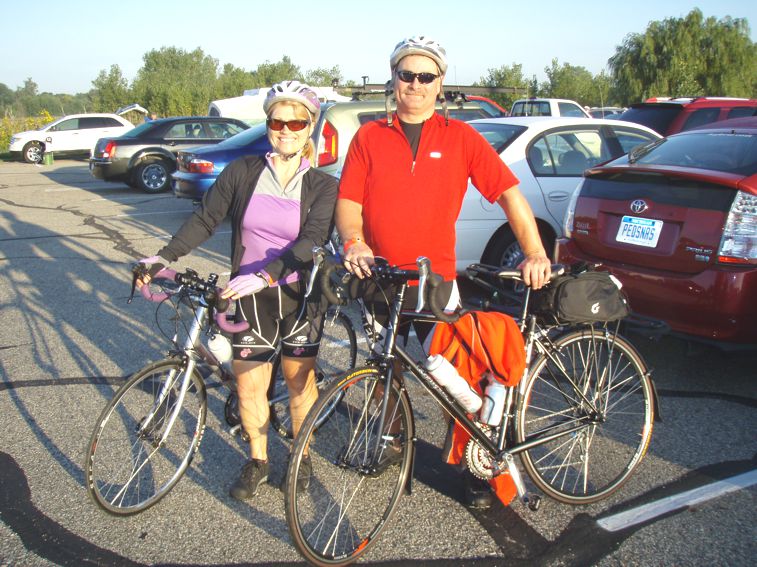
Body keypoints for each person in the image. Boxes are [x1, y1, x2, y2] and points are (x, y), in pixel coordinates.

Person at [335, 36, 551, 509]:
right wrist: (354, 239)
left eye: (425, 76)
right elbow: (348, 200)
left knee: (456, 377)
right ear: (393, 79)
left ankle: (478, 459)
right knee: (383, 365)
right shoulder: (369, 136)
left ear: (440, 84)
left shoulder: (461, 138)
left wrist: (534, 250)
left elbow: (511, 195)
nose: (414, 84)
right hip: (379, 278)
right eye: (405, 74)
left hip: (435, 283)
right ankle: (392, 438)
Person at [137, 80, 337, 501]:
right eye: (277, 121)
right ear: (268, 124)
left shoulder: (321, 185)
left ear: (309, 128)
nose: (285, 129)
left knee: (299, 382)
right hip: (249, 298)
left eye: (295, 121)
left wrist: (268, 274)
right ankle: (259, 460)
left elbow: (313, 239)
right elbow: (205, 220)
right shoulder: (243, 172)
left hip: (299, 296)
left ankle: (301, 458)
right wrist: (162, 257)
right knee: (249, 385)